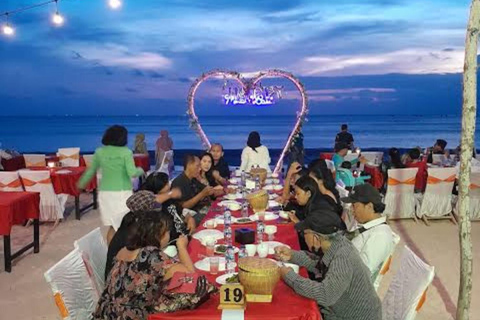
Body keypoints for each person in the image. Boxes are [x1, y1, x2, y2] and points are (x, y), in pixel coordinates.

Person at [94, 212, 216, 319]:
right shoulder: (151, 254)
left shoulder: (125, 249)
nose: (169, 235)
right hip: (130, 315)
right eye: (167, 232)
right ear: (158, 235)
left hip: (106, 312)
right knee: (200, 289)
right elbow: (191, 276)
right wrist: (182, 247)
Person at [275, 218, 382, 320]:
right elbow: (319, 265)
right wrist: (292, 255)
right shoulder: (337, 244)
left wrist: (290, 277)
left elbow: (326, 295)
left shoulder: (343, 257)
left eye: (304, 234)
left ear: (316, 238)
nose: (303, 237)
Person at [78, 125, 144, 244]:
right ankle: (125, 254)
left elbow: (91, 170)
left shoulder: (99, 152)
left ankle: (111, 254)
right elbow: (132, 172)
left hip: (105, 194)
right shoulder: (126, 152)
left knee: (113, 227)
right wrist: (141, 170)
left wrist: (81, 184)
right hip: (122, 193)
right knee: (127, 225)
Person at [341, 184, 396, 281]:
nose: (352, 211)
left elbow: (360, 275)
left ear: (369, 206)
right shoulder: (369, 227)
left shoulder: (379, 236)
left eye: (354, 206)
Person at [140, 172, 196, 238]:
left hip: (184, 235)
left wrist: (189, 218)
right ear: (158, 190)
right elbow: (152, 201)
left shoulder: (170, 199)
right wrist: (170, 194)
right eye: (166, 184)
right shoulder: (154, 208)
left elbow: (181, 212)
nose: (169, 185)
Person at [171, 155, 214, 224]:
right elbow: (184, 206)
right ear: (189, 165)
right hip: (187, 218)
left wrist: (224, 190)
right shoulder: (178, 182)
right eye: (197, 166)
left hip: (199, 210)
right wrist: (202, 194)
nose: (200, 169)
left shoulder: (193, 179)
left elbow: (207, 190)